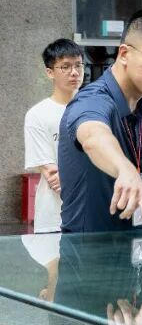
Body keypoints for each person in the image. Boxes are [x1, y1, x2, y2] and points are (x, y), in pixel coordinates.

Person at [57, 6, 142, 232]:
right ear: (125, 54)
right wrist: (124, 169)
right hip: (93, 246)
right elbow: (93, 136)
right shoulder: (93, 99)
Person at [23, 39, 85, 285]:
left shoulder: (95, 108)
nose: (74, 72)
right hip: (53, 219)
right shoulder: (38, 115)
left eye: (78, 65)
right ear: (50, 72)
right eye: (65, 66)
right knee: (59, 283)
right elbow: (53, 177)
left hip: (92, 217)